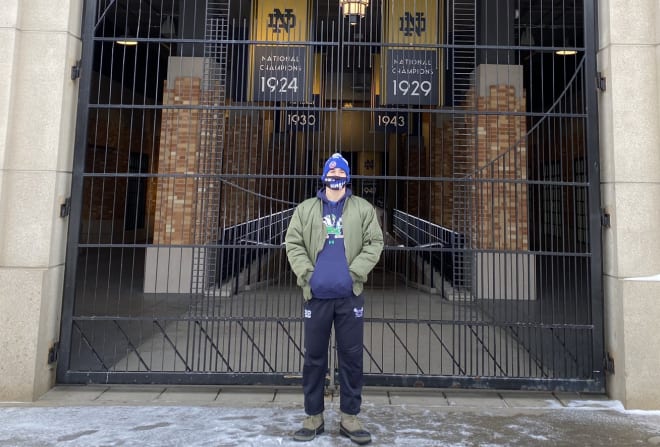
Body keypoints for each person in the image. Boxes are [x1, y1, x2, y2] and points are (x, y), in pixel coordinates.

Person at [285, 152, 384, 445]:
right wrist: (307, 275)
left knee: (351, 358)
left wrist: (354, 274)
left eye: (341, 174)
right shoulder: (305, 210)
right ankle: (313, 416)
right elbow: (293, 243)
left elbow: (375, 242)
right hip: (316, 297)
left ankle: (349, 418)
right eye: (332, 173)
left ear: (348, 178)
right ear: (324, 176)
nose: (336, 178)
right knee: (314, 358)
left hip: (348, 297)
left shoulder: (363, 209)